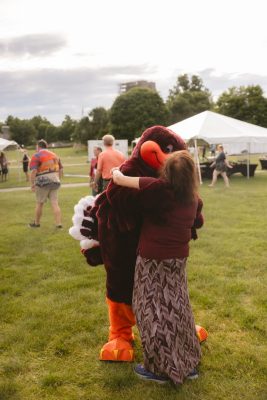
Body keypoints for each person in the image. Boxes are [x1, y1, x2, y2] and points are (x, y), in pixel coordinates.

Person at [111, 150, 204, 385]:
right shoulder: (193, 199)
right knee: (178, 307)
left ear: (166, 172)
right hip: (178, 260)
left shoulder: (157, 189)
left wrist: (113, 169)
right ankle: (187, 362)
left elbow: (120, 179)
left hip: (152, 260)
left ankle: (160, 369)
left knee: (150, 311)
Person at [29, 139, 63, 228]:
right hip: (55, 180)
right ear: (46, 146)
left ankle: (36, 223)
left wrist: (32, 184)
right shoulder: (54, 155)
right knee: (55, 203)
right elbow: (61, 169)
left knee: (39, 203)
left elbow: (33, 171)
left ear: (38, 146)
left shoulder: (36, 155)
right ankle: (58, 224)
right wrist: (58, 179)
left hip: (42, 182)